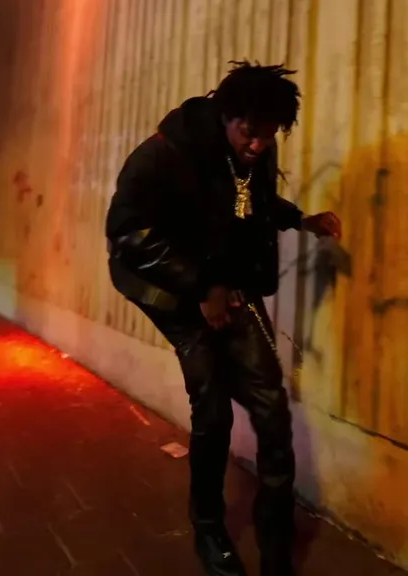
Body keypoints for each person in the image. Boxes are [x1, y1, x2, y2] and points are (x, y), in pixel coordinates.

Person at [105, 62, 342, 575]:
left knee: (271, 403)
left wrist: (299, 219)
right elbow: (126, 233)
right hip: (169, 287)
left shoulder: (254, 150)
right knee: (212, 408)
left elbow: (250, 202)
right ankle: (209, 528)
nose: (258, 145)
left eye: (269, 135)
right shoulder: (166, 152)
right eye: (249, 132)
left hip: (227, 283)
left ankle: (276, 536)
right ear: (225, 115)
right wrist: (201, 288)